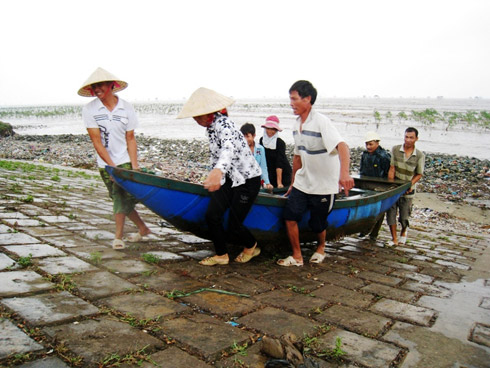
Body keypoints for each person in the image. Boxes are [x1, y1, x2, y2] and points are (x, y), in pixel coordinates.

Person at [177, 87, 262, 266]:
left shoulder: (225, 124)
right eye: (195, 117)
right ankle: (222, 255)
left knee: (234, 225)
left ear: (209, 113)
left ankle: (252, 245)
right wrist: (214, 174)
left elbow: (228, 148)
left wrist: (218, 171)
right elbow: (217, 155)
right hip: (228, 177)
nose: (196, 120)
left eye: (198, 116)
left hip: (247, 179)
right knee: (212, 215)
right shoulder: (210, 128)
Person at [277, 80, 354, 267]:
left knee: (317, 223)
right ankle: (297, 256)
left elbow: (343, 147)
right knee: (290, 216)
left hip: (324, 185)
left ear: (308, 99)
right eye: (290, 99)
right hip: (304, 182)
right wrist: (293, 183)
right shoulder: (296, 125)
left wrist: (345, 174)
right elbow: (297, 158)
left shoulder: (321, 122)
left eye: (294, 99)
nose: (291, 103)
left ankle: (321, 248)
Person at [78, 67, 151, 250]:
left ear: (112, 85)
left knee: (119, 195)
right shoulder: (90, 110)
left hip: (125, 159)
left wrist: (134, 166)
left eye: (100, 85)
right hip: (105, 163)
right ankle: (142, 228)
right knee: (120, 199)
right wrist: (112, 168)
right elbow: (97, 142)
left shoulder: (126, 108)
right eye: (94, 87)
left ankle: (118, 237)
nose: (97, 89)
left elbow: (131, 138)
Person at [385, 127, 425, 246]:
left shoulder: (419, 155)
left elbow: (419, 174)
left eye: (411, 137)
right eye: (406, 137)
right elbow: (392, 168)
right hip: (395, 187)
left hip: (408, 189)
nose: (408, 140)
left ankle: (404, 230)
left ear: (416, 139)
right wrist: (390, 185)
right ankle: (394, 239)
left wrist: (410, 184)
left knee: (404, 216)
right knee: (391, 214)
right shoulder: (396, 149)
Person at [358, 131, 391, 241]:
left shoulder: (384, 156)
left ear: (377, 143)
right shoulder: (365, 154)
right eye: (367, 144)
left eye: (371, 144)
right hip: (366, 184)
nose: (368, 146)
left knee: (379, 210)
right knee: (366, 208)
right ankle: (364, 229)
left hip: (379, 186)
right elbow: (362, 170)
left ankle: (374, 233)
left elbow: (388, 173)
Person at [259, 116, 292, 189]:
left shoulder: (280, 143)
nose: (270, 132)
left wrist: (279, 183)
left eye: (273, 129)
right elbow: (261, 161)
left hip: (282, 173)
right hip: (269, 172)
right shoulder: (261, 140)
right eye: (268, 129)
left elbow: (279, 163)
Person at [240, 123, 273, 191]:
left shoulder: (260, 149)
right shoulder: (239, 149)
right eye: (243, 137)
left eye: (248, 136)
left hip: (256, 180)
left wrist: (267, 182)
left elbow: (263, 167)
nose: (245, 140)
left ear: (254, 136)